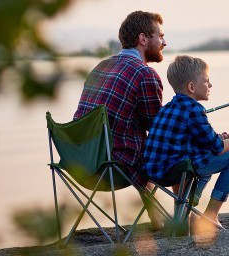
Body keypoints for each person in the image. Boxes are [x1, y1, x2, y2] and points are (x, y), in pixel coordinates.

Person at [73, 11, 167, 229]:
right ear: (143, 39)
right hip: (111, 167)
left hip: (79, 161)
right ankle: (179, 220)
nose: (164, 42)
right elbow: (156, 129)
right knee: (168, 148)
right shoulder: (145, 74)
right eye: (160, 36)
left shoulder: (100, 67)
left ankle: (158, 218)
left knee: (138, 145)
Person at [143, 55, 229, 233]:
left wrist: (221, 137)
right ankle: (210, 215)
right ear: (192, 87)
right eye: (207, 81)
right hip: (177, 172)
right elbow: (217, 148)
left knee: (203, 155)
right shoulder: (194, 109)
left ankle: (186, 214)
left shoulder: (167, 108)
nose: (210, 86)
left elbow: (193, 138)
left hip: (155, 173)